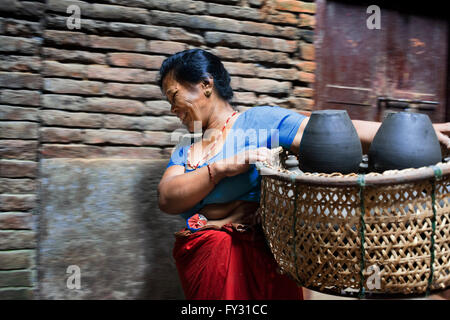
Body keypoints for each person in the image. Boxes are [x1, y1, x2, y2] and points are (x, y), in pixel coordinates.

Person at [157, 48, 450, 300]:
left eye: (174, 95)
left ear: (206, 84)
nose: (172, 108)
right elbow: (168, 198)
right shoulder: (186, 149)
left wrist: (419, 131)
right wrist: (221, 168)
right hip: (204, 262)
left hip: (258, 266)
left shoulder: (258, 122)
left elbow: (332, 131)